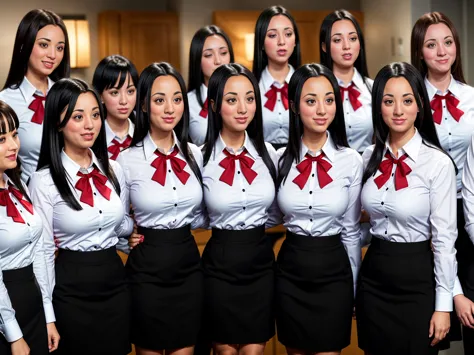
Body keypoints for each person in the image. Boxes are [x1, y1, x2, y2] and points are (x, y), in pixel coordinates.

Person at [356, 62, 457, 355]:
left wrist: (443, 306)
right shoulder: (366, 158)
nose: (398, 110)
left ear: (419, 106)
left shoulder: (437, 164)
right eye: (389, 101)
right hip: (374, 276)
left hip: (418, 280)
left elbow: (444, 241)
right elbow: (357, 223)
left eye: (407, 100)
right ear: (378, 107)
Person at [29, 78, 133, 355]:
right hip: (71, 289)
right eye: (78, 116)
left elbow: (120, 225)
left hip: (115, 281)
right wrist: (48, 316)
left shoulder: (113, 170)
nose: (90, 124)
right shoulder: (43, 181)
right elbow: (42, 252)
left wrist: (130, 235)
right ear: (57, 123)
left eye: (95, 115)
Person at [119, 62, 206, 355]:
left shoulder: (195, 154)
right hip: (146, 269)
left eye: (177, 99)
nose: (170, 108)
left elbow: (207, 210)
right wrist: (126, 236)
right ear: (143, 105)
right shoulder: (125, 160)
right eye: (159, 100)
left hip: (188, 263)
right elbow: (115, 218)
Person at [275, 63, 361, 354]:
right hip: (291, 271)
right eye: (311, 101)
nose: (322, 109)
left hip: (333, 272)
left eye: (329, 99)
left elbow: (351, 231)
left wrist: (354, 287)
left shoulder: (351, 161)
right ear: (295, 106)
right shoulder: (279, 159)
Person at [201, 63, 279, 355]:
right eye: (232, 100)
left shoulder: (269, 154)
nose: (242, 107)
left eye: (249, 98)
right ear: (215, 105)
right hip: (219, 262)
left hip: (260, 260)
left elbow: (277, 210)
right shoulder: (201, 156)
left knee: (254, 350)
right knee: (224, 351)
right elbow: (192, 211)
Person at [411, 12, 474, 349]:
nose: (441, 51)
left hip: (468, 207)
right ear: (419, 52)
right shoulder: (409, 101)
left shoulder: (472, 98)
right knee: (433, 330)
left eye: (448, 42)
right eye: (431, 45)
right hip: (426, 213)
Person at [0, 101, 60, 354]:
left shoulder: (16, 186)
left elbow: (38, 251)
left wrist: (48, 315)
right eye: (1, 139)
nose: (14, 145)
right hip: (5, 312)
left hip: (32, 302)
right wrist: (13, 335)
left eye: (14, 135)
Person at [0, 9, 70, 183]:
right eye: (44, 45)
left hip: (74, 196)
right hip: (28, 200)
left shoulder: (69, 97)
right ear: (25, 44)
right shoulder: (5, 101)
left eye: (59, 47)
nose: (53, 55)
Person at [320, 9, 373, 153]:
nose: (346, 46)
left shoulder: (373, 88)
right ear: (324, 47)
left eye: (353, 38)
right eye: (337, 40)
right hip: (328, 168)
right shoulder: (315, 90)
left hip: (367, 166)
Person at [253, 5, 301, 150]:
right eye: (272, 35)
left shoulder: (307, 84)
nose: (282, 41)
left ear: (295, 41)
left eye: (288, 34)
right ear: (261, 42)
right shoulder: (251, 86)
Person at [187, 25, 234, 146]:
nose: (218, 61)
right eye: (208, 55)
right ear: (196, 60)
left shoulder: (246, 97)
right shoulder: (187, 102)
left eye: (223, 53)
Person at [92, 55, 139, 160]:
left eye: (130, 91)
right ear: (100, 97)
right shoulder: (91, 136)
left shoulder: (145, 133)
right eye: (115, 92)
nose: (124, 101)